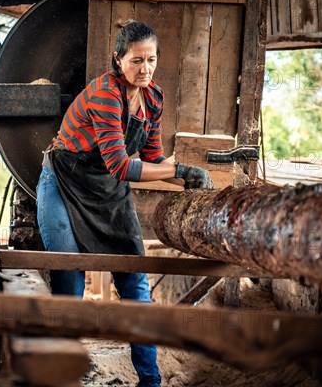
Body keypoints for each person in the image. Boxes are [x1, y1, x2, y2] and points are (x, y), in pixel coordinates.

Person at [36, 20, 214, 387]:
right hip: (64, 181)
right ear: (118, 60)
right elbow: (120, 164)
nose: (144, 68)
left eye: (150, 60)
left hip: (108, 189)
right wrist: (177, 169)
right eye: (136, 60)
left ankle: (150, 382)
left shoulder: (154, 99)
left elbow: (150, 157)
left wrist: (185, 177)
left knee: (134, 285)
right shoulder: (105, 93)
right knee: (68, 273)